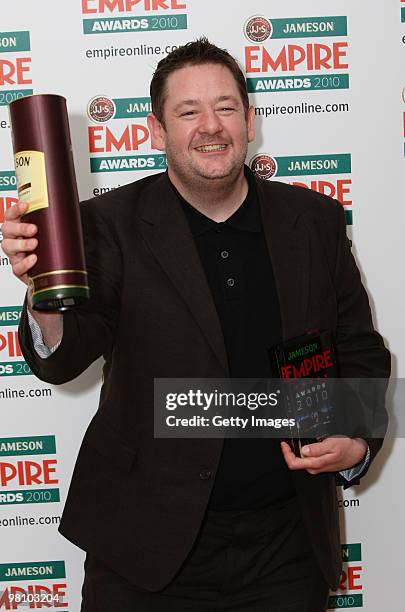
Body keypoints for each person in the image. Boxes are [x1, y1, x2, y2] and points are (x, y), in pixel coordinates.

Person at [1, 38, 390, 612]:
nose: (211, 126)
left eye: (227, 107)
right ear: (157, 131)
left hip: (283, 547)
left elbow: (358, 346)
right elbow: (63, 358)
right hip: (142, 546)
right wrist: (40, 291)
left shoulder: (315, 221)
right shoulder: (105, 225)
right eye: (188, 112)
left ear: (251, 120)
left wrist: (354, 439)